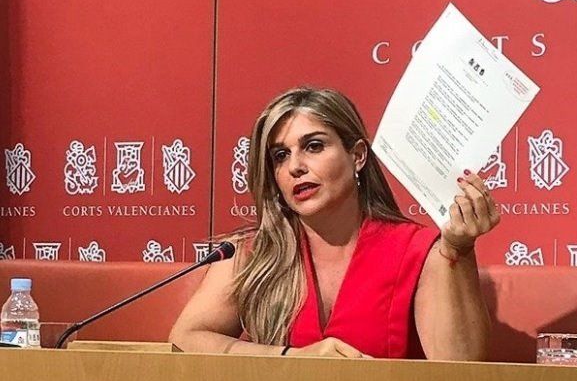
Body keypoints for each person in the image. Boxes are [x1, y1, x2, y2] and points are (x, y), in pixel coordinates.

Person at [169, 87, 499, 360]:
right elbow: (186, 337)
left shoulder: (418, 251)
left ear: (357, 155)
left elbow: (461, 370)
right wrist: (292, 358)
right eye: (280, 155)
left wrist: (458, 248)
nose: (295, 166)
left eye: (313, 146)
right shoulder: (252, 253)